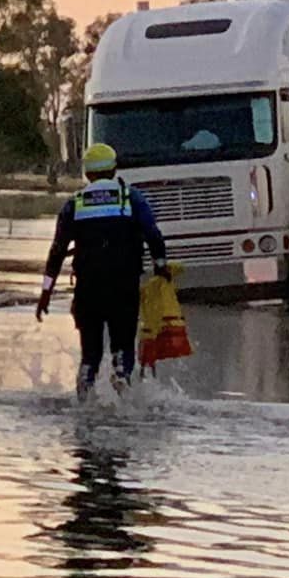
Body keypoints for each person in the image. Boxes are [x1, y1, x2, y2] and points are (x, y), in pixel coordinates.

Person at [36, 143, 169, 393]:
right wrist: (161, 268)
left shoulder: (74, 204)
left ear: (87, 174)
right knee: (122, 345)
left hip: (89, 289)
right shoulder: (131, 198)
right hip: (124, 286)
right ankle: (122, 380)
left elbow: (57, 252)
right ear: (114, 169)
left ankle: (85, 395)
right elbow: (153, 235)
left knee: (90, 352)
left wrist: (46, 292)